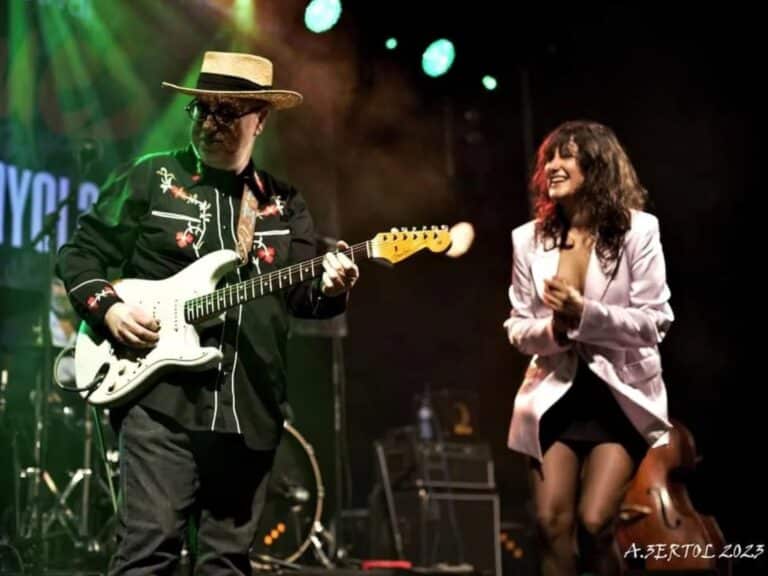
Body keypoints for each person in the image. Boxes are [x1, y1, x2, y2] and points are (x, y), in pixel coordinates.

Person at [56, 51, 359, 575]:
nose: (210, 123)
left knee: (226, 563)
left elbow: (304, 297)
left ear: (260, 120)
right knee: (149, 551)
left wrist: (331, 287)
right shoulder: (151, 178)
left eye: (228, 111)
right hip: (160, 404)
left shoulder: (284, 204)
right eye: (202, 109)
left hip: (250, 412)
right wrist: (110, 309)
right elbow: (80, 254)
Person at [503, 120, 674, 575]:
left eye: (567, 155)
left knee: (595, 523)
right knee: (549, 524)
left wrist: (584, 315)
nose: (553, 166)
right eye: (549, 158)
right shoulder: (527, 239)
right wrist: (556, 331)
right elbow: (518, 326)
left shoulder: (639, 230)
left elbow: (655, 321)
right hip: (554, 394)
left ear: (597, 166)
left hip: (618, 395)